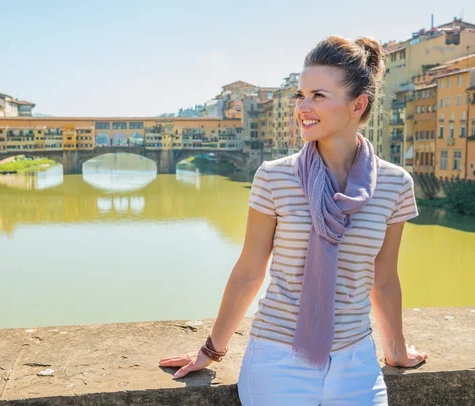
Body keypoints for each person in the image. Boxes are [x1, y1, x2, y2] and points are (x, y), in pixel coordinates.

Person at [160, 36, 428, 405]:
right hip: (278, 357)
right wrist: (211, 350)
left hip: (356, 361)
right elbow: (249, 272)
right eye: (300, 95)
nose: (302, 106)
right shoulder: (274, 177)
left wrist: (395, 350)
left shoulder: (395, 184)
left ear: (358, 104)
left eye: (318, 95)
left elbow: (383, 279)